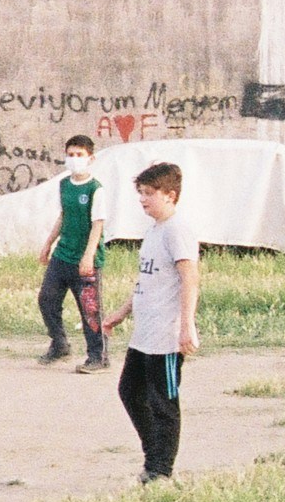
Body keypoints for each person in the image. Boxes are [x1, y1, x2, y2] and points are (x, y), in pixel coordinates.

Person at [104, 161, 199, 481]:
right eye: (141, 193)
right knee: (129, 391)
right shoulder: (154, 231)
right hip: (144, 333)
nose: (143, 200)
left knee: (164, 402)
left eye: (149, 193)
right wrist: (121, 312)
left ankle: (161, 469)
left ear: (170, 195)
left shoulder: (177, 230)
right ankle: (153, 453)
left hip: (166, 336)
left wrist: (187, 325)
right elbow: (148, 281)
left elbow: (190, 279)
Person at [38, 133, 110, 371]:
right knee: (47, 299)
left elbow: (97, 224)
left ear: (90, 158)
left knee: (89, 309)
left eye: (79, 155)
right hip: (63, 254)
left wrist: (88, 256)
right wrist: (49, 243)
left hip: (84, 257)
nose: (74, 159)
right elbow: (63, 216)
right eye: (70, 155)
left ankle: (98, 356)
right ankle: (59, 344)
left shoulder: (95, 189)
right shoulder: (64, 185)